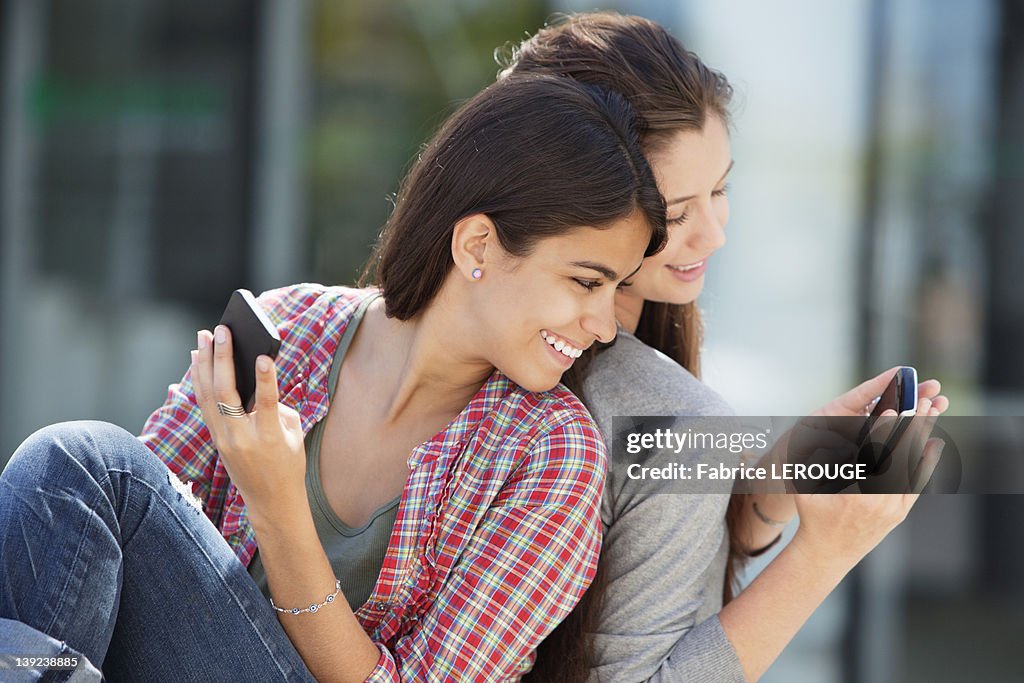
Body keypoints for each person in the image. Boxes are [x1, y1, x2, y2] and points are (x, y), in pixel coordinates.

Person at [0, 73, 668, 681]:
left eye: (615, 289)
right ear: (478, 247)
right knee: (68, 477)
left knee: (90, 466)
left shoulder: (552, 455)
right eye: (586, 281)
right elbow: (103, 549)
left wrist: (278, 504)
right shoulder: (292, 329)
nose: (605, 324)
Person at [501, 13, 949, 682]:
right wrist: (823, 555)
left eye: (720, 190)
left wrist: (776, 479)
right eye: (677, 213)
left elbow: (657, 533)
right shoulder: (658, 409)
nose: (712, 235)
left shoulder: (490, 345)